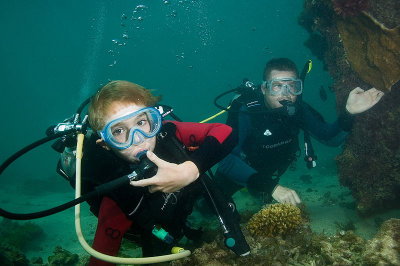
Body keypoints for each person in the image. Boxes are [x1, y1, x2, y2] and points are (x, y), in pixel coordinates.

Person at [59, 80, 249, 265]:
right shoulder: (117, 198)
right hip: (151, 232)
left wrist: (190, 170)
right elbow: (101, 259)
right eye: (118, 131)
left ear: (154, 120)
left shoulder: (168, 136)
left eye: (141, 122)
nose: (138, 138)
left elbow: (226, 132)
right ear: (106, 144)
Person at [215, 58, 384, 206]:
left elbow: (329, 138)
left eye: (292, 86)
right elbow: (226, 161)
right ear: (264, 89)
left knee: (264, 204)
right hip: (242, 170)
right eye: (277, 87)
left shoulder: (299, 110)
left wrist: (349, 114)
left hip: (269, 175)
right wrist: (271, 187)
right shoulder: (246, 111)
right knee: (209, 206)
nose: (286, 94)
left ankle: (257, 191)